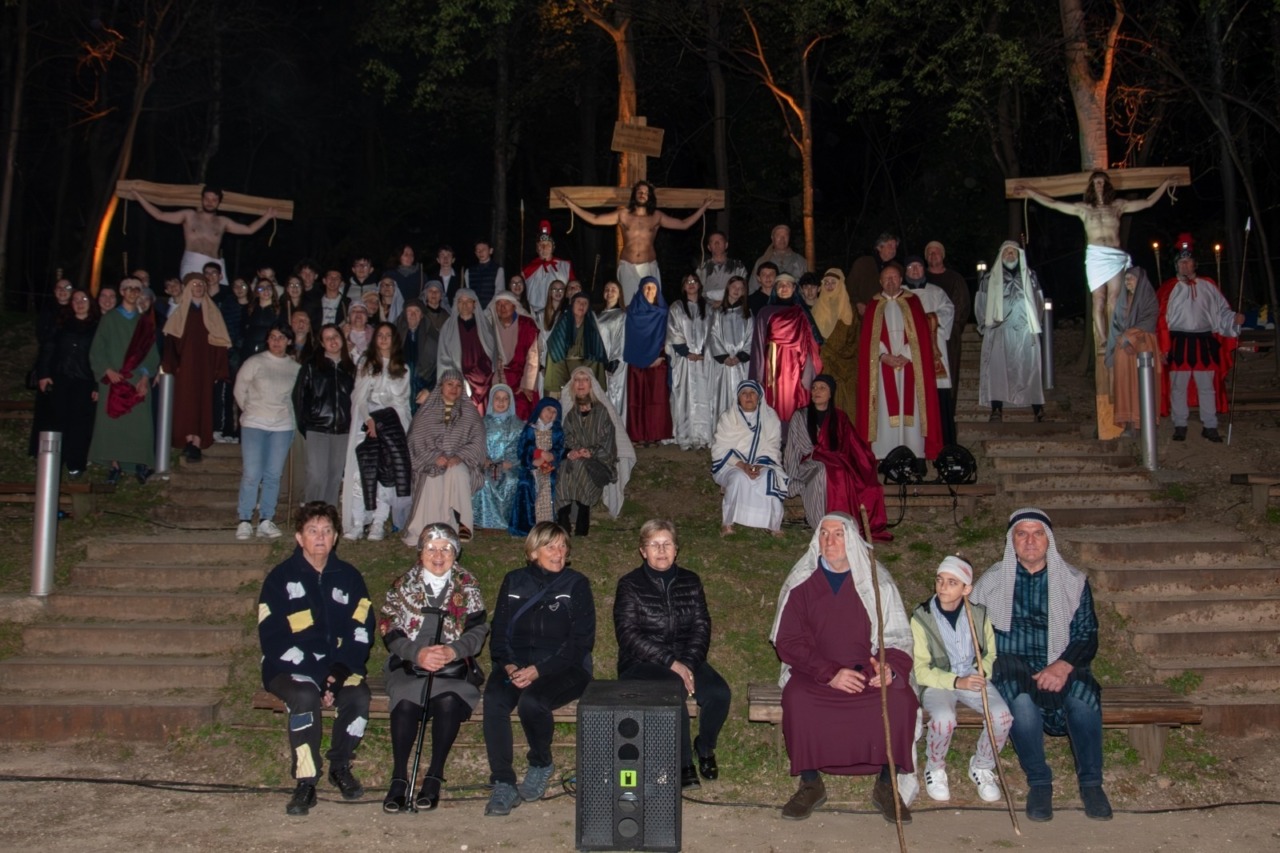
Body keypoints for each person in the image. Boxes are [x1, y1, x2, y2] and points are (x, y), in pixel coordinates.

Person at [770, 514, 919, 822]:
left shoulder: (878, 582)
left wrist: (887, 670)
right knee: (798, 699)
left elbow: (897, 637)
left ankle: (886, 783)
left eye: (838, 534)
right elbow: (788, 641)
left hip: (868, 674)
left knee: (900, 700)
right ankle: (811, 783)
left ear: (851, 539)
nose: (830, 541)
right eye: (824, 534)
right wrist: (829, 673)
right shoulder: (801, 583)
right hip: (816, 674)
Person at [971, 508, 1111, 822]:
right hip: (1011, 664)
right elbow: (972, 633)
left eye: (1037, 533)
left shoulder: (1073, 581)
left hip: (1061, 659)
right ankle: (1039, 782)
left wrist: (1062, 666)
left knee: (1084, 699)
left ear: (1049, 539)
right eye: (1022, 533)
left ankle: (1091, 783)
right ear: (1012, 540)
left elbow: (1087, 634)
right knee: (1019, 701)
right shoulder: (992, 581)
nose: (1030, 541)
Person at [257, 501, 373, 816]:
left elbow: (361, 631)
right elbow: (272, 636)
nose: (320, 537)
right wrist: (320, 676)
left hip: (339, 668)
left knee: (359, 696)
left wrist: (336, 674)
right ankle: (306, 780)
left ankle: (340, 766)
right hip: (288, 667)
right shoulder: (280, 579)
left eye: (326, 531)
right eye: (312, 531)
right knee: (305, 696)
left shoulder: (350, 578)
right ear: (299, 537)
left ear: (336, 537)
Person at [483, 522, 595, 816]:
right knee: (494, 700)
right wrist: (507, 664)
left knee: (533, 702)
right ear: (533, 551)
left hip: (565, 667)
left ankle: (541, 762)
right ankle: (503, 783)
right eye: (551, 546)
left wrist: (538, 670)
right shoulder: (514, 581)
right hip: (516, 665)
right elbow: (499, 632)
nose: (559, 553)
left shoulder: (577, 584)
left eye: (563, 546)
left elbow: (580, 642)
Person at [377, 523, 489, 812]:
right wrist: (418, 653)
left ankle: (434, 776)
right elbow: (389, 628)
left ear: (455, 553)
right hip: (409, 665)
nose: (438, 555)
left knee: (449, 700)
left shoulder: (467, 584)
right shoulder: (403, 584)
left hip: (451, 666)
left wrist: (453, 650)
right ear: (420, 552)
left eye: (446, 549)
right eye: (431, 548)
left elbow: (477, 631)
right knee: (404, 700)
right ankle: (399, 777)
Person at [614, 519, 731, 789]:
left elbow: (702, 626)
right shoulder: (630, 585)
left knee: (719, 693)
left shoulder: (691, 581)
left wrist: (687, 663)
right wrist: (672, 664)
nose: (661, 550)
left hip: (686, 657)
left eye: (667, 544)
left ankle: (705, 748)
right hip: (641, 662)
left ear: (676, 549)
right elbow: (628, 635)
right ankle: (682, 762)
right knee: (672, 687)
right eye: (654, 544)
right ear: (643, 551)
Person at [1014, 172, 1174, 353]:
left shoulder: (1118, 206)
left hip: (1114, 255)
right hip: (1096, 256)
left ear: (1107, 186)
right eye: (1096, 182)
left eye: (1102, 182)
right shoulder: (1084, 209)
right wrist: (1030, 192)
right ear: (1091, 186)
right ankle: (1104, 340)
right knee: (1098, 298)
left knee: (1115, 298)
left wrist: (1165, 184)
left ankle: (1117, 334)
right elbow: (1053, 203)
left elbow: (1148, 202)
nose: (1099, 185)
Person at [911, 556, 1011, 803]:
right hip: (938, 682)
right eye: (940, 580)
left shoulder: (978, 616)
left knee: (1002, 716)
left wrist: (980, 673)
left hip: (972, 677)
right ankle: (935, 767)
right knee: (944, 719)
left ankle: (982, 765)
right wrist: (956, 682)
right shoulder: (922, 618)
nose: (943, 586)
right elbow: (920, 669)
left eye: (952, 582)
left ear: (967, 589)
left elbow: (990, 653)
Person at [556, 182, 712, 305]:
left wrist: (703, 207)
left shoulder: (656, 216)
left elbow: (683, 224)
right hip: (628, 266)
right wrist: (571, 204)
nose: (642, 194)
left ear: (649, 197)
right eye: (639, 192)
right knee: (629, 306)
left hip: (649, 266)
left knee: (651, 304)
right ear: (634, 195)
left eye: (646, 192)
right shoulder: (623, 214)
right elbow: (595, 219)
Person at [784, 375, 891, 542]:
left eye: (822, 388)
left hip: (834, 464)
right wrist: (791, 480)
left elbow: (854, 446)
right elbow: (793, 450)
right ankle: (821, 524)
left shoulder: (840, 417)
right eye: (814, 388)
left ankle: (844, 524)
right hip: (808, 465)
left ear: (830, 394)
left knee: (842, 472)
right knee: (822, 470)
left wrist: (867, 461)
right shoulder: (800, 416)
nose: (816, 391)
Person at [1157, 237, 1243, 442]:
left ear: (1194, 264)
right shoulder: (1169, 288)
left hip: (1204, 343)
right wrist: (1162, 347)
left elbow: (1222, 312)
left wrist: (1234, 319)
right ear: (1176, 265)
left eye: (1188, 262)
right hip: (1179, 344)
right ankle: (1180, 425)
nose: (1185, 266)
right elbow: (1160, 321)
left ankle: (1210, 425)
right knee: (1178, 386)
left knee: (1207, 387)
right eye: (1181, 263)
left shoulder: (1209, 286)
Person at [857, 262, 943, 460]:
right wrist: (883, 356)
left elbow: (921, 335)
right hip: (882, 366)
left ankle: (914, 453)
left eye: (894, 277)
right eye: (886, 278)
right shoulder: (873, 305)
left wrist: (906, 354)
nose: (890, 281)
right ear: (880, 281)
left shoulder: (913, 302)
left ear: (901, 279)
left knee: (911, 407)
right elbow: (869, 339)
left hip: (910, 365)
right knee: (883, 409)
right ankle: (883, 454)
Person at [342, 323, 412, 541]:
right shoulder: (366, 364)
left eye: (387, 336)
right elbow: (359, 397)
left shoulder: (403, 368)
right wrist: (369, 419)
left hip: (391, 424)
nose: (383, 339)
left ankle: (378, 522)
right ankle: (357, 521)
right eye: (380, 335)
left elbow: (402, 402)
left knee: (385, 473)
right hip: (367, 421)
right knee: (360, 471)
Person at [402, 369, 487, 546]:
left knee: (457, 473)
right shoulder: (426, 412)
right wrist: (434, 457)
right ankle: (430, 529)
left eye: (458, 385)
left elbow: (478, 440)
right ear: (441, 387)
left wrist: (460, 456)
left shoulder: (470, 413)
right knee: (433, 478)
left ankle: (461, 526)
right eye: (450, 384)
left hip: (459, 462)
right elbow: (415, 440)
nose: (454, 389)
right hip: (430, 463)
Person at [88, 278, 158, 485]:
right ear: (121, 291)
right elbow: (97, 350)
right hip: (113, 379)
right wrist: (107, 370)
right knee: (112, 424)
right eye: (128, 288)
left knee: (140, 425)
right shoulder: (109, 319)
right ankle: (115, 466)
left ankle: (139, 464)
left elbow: (151, 354)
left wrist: (145, 377)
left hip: (136, 379)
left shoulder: (144, 322)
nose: (132, 292)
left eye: (136, 289)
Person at [233, 327, 300, 539]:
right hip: (255, 423)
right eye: (272, 337)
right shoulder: (255, 362)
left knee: (273, 474)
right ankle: (244, 519)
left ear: (289, 341)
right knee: (252, 473)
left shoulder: (296, 368)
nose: (276, 341)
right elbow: (239, 388)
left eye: (281, 337)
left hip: (282, 425)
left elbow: (296, 397)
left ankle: (266, 519)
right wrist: (250, 410)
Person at [132, 184, 276, 280]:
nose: (210, 202)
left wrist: (267, 216)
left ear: (219, 202)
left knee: (217, 303)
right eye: (207, 198)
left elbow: (249, 230)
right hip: (192, 262)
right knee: (190, 299)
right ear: (202, 199)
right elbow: (159, 214)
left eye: (214, 199)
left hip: (215, 263)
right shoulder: (189, 215)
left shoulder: (222, 221)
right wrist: (138, 196)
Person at [163, 272, 232, 463]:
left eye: (201, 284)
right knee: (186, 404)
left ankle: (198, 441)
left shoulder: (213, 312)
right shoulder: (180, 314)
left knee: (203, 402)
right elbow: (170, 343)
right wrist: (170, 366)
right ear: (187, 288)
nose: (198, 287)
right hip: (184, 368)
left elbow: (220, 343)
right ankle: (188, 441)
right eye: (194, 284)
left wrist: (219, 369)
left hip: (205, 368)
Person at [975, 242, 1045, 423]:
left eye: (1013, 251)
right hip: (1000, 330)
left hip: (1024, 330)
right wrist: (985, 324)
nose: (1010, 254)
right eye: (1006, 251)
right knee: (997, 370)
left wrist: (1036, 323)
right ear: (1001, 255)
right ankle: (996, 408)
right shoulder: (990, 278)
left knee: (1031, 369)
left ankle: (1037, 408)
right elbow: (982, 302)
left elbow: (1038, 300)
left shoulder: (1030, 276)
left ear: (1019, 254)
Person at [711, 380, 788, 537]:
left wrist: (758, 465)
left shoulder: (770, 417)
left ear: (759, 397)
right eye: (744, 393)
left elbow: (773, 446)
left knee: (769, 476)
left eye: (752, 393)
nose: (748, 397)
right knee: (739, 477)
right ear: (738, 398)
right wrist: (742, 465)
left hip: (763, 462)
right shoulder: (728, 417)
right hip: (730, 465)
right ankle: (727, 523)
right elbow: (719, 449)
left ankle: (772, 525)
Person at [36, 288, 99, 478]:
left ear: (90, 302)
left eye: (84, 299)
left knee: (80, 424)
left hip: (84, 381)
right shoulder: (61, 323)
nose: (79, 302)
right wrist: (44, 373)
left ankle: (76, 463)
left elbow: (101, 357)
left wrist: (98, 384)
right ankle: (55, 461)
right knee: (57, 420)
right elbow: (48, 348)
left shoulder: (98, 326)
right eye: (76, 299)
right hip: (61, 378)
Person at [291, 324, 355, 507]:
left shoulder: (351, 368)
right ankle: (311, 514)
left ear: (342, 338)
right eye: (327, 338)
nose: (332, 341)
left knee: (335, 477)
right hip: (317, 427)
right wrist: (306, 423)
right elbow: (299, 397)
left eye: (335, 336)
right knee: (317, 475)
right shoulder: (311, 366)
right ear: (321, 343)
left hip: (342, 430)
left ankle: (329, 517)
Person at [750, 273, 824, 429]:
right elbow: (758, 345)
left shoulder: (802, 313)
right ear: (775, 289)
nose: (784, 288)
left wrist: (809, 371)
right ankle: (775, 440)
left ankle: (798, 438)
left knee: (795, 402)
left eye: (788, 284)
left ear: (794, 288)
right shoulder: (765, 312)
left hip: (797, 368)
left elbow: (812, 343)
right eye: (780, 285)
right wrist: (757, 376)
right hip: (773, 369)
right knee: (775, 403)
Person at [553, 368, 618, 537]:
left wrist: (590, 451)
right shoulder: (571, 415)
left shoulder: (602, 412)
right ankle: (563, 520)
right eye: (577, 380)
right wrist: (571, 452)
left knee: (578, 466)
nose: (581, 384)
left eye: (585, 380)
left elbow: (608, 443)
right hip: (576, 462)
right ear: (572, 385)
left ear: (591, 385)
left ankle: (582, 521)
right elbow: (566, 438)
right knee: (565, 465)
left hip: (599, 463)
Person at [903, 256, 957, 447]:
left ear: (924, 269)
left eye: (918, 266)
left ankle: (943, 445)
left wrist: (928, 320)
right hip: (909, 352)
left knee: (937, 398)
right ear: (905, 271)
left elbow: (948, 311)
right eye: (910, 267)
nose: (915, 270)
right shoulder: (901, 294)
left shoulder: (937, 292)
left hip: (935, 350)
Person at [1104, 267, 1160, 436]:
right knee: (1124, 386)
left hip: (1142, 347)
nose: (1128, 282)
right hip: (1123, 350)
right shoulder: (1123, 301)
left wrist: (1129, 338)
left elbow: (1149, 321)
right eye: (1126, 279)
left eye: (1131, 279)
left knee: (1141, 385)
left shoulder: (1149, 299)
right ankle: (1128, 423)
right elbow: (1116, 324)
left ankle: (1144, 424)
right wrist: (1121, 341)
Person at [667, 273, 715, 450]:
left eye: (695, 281)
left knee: (705, 395)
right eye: (688, 282)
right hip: (685, 361)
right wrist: (686, 352)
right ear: (683, 286)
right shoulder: (677, 307)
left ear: (700, 285)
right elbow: (673, 331)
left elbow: (713, 331)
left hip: (704, 360)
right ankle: (685, 435)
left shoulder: (708, 308)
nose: (692, 284)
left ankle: (703, 435)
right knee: (684, 396)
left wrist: (704, 351)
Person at [623, 277, 672, 445]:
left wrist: (660, 356)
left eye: (653, 287)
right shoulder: (632, 311)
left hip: (658, 361)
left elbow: (669, 336)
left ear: (658, 290)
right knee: (637, 401)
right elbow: (629, 338)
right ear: (640, 290)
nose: (650, 291)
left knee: (656, 401)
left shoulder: (664, 311)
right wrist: (640, 358)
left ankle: (654, 435)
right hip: (637, 362)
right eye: (646, 288)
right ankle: (637, 436)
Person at [924, 240, 971, 416]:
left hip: (948, 336)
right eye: (929, 253)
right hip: (923, 336)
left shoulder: (955, 279)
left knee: (948, 374)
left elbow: (962, 306)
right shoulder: (921, 279)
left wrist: (946, 329)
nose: (932, 255)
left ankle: (947, 412)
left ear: (942, 255)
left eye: (936, 252)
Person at [509, 398, 564, 538]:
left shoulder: (557, 431)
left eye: (554, 412)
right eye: (547, 410)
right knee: (526, 485)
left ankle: (545, 523)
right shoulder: (530, 429)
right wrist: (536, 456)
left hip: (549, 467)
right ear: (539, 410)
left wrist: (553, 455)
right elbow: (522, 449)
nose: (550, 414)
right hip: (531, 466)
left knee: (547, 484)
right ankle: (526, 525)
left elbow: (560, 448)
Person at [437, 288, 496, 414]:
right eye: (461, 301)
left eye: (468, 301)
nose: (464, 305)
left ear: (475, 304)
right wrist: (459, 378)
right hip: (456, 381)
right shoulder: (448, 328)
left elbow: (490, 353)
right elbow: (443, 357)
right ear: (456, 304)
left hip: (482, 380)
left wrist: (478, 376)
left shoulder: (484, 325)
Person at [811, 268, 860, 419]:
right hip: (822, 367)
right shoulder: (816, 309)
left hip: (846, 370)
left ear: (841, 285)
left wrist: (833, 354)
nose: (830, 286)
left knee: (846, 408)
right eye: (826, 283)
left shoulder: (850, 309)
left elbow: (856, 340)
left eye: (834, 282)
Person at [486, 290, 540, 420]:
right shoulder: (489, 325)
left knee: (523, 410)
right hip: (496, 377)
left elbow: (532, 358)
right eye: (499, 304)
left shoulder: (526, 325)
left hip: (520, 378)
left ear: (514, 306)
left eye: (507, 303)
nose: (502, 307)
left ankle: (526, 440)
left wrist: (527, 385)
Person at [474, 384, 523, 529]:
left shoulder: (518, 425)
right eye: (497, 398)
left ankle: (506, 521)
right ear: (491, 401)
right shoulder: (481, 423)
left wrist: (510, 462)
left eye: (505, 399)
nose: (501, 402)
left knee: (511, 481)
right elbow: (476, 445)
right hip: (486, 465)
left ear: (510, 401)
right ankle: (483, 521)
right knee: (484, 481)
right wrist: (484, 459)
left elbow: (521, 448)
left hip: (509, 466)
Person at [708, 275, 754, 427]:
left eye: (740, 288)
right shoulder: (718, 313)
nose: (736, 290)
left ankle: (742, 432)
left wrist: (740, 356)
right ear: (728, 288)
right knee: (723, 397)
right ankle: (722, 432)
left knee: (741, 395)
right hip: (723, 365)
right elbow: (713, 335)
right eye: (734, 287)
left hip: (741, 365)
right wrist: (724, 356)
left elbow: (751, 336)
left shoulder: (747, 314)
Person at [544, 292, 608, 395]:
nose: (581, 305)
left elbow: (595, 355)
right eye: (578, 302)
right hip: (562, 369)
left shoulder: (591, 328)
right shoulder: (563, 323)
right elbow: (556, 352)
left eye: (585, 303)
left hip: (584, 370)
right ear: (572, 304)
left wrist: (581, 376)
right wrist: (567, 381)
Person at [522, 221, 575, 316]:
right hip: (534, 316)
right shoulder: (527, 270)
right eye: (541, 245)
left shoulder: (565, 266)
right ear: (537, 248)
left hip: (559, 315)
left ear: (553, 247)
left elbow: (574, 290)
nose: (544, 247)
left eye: (547, 244)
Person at [595, 280, 628, 418]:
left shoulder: (622, 315)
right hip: (597, 362)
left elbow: (621, 338)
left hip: (613, 363)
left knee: (613, 397)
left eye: (613, 289)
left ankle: (615, 434)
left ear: (620, 294)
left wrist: (615, 360)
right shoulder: (598, 314)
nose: (609, 292)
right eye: (607, 289)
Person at [847, 232, 904, 312]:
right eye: (890, 245)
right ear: (879, 247)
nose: (893, 250)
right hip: (863, 312)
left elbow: (901, 291)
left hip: (889, 312)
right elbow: (850, 287)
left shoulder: (898, 269)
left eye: (895, 247)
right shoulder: (862, 263)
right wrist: (858, 303)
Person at [749, 224, 808, 293]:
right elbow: (752, 288)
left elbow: (807, 287)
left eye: (785, 235)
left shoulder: (800, 261)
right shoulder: (762, 261)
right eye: (778, 235)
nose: (782, 239)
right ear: (772, 238)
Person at [697, 230, 747, 304]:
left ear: (726, 245)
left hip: (732, 307)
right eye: (713, 241)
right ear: (709, 247)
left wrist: (727, 302)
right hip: (709, 309)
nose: (717, 244)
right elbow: (697, 291)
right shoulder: (702, 268)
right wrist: (712, 302)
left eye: (720, 241)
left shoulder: (738, 266)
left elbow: (744, 289)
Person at [464, 239, 505, 307]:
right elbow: (469, 293)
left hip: (491, 312)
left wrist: (488, 311)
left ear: (490, 251)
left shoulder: (498, 270)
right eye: (478, 250)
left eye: (484, 249)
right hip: (474, 310)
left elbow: (499, 293)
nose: (481, 252)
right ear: (475, 253)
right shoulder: (469, 271)